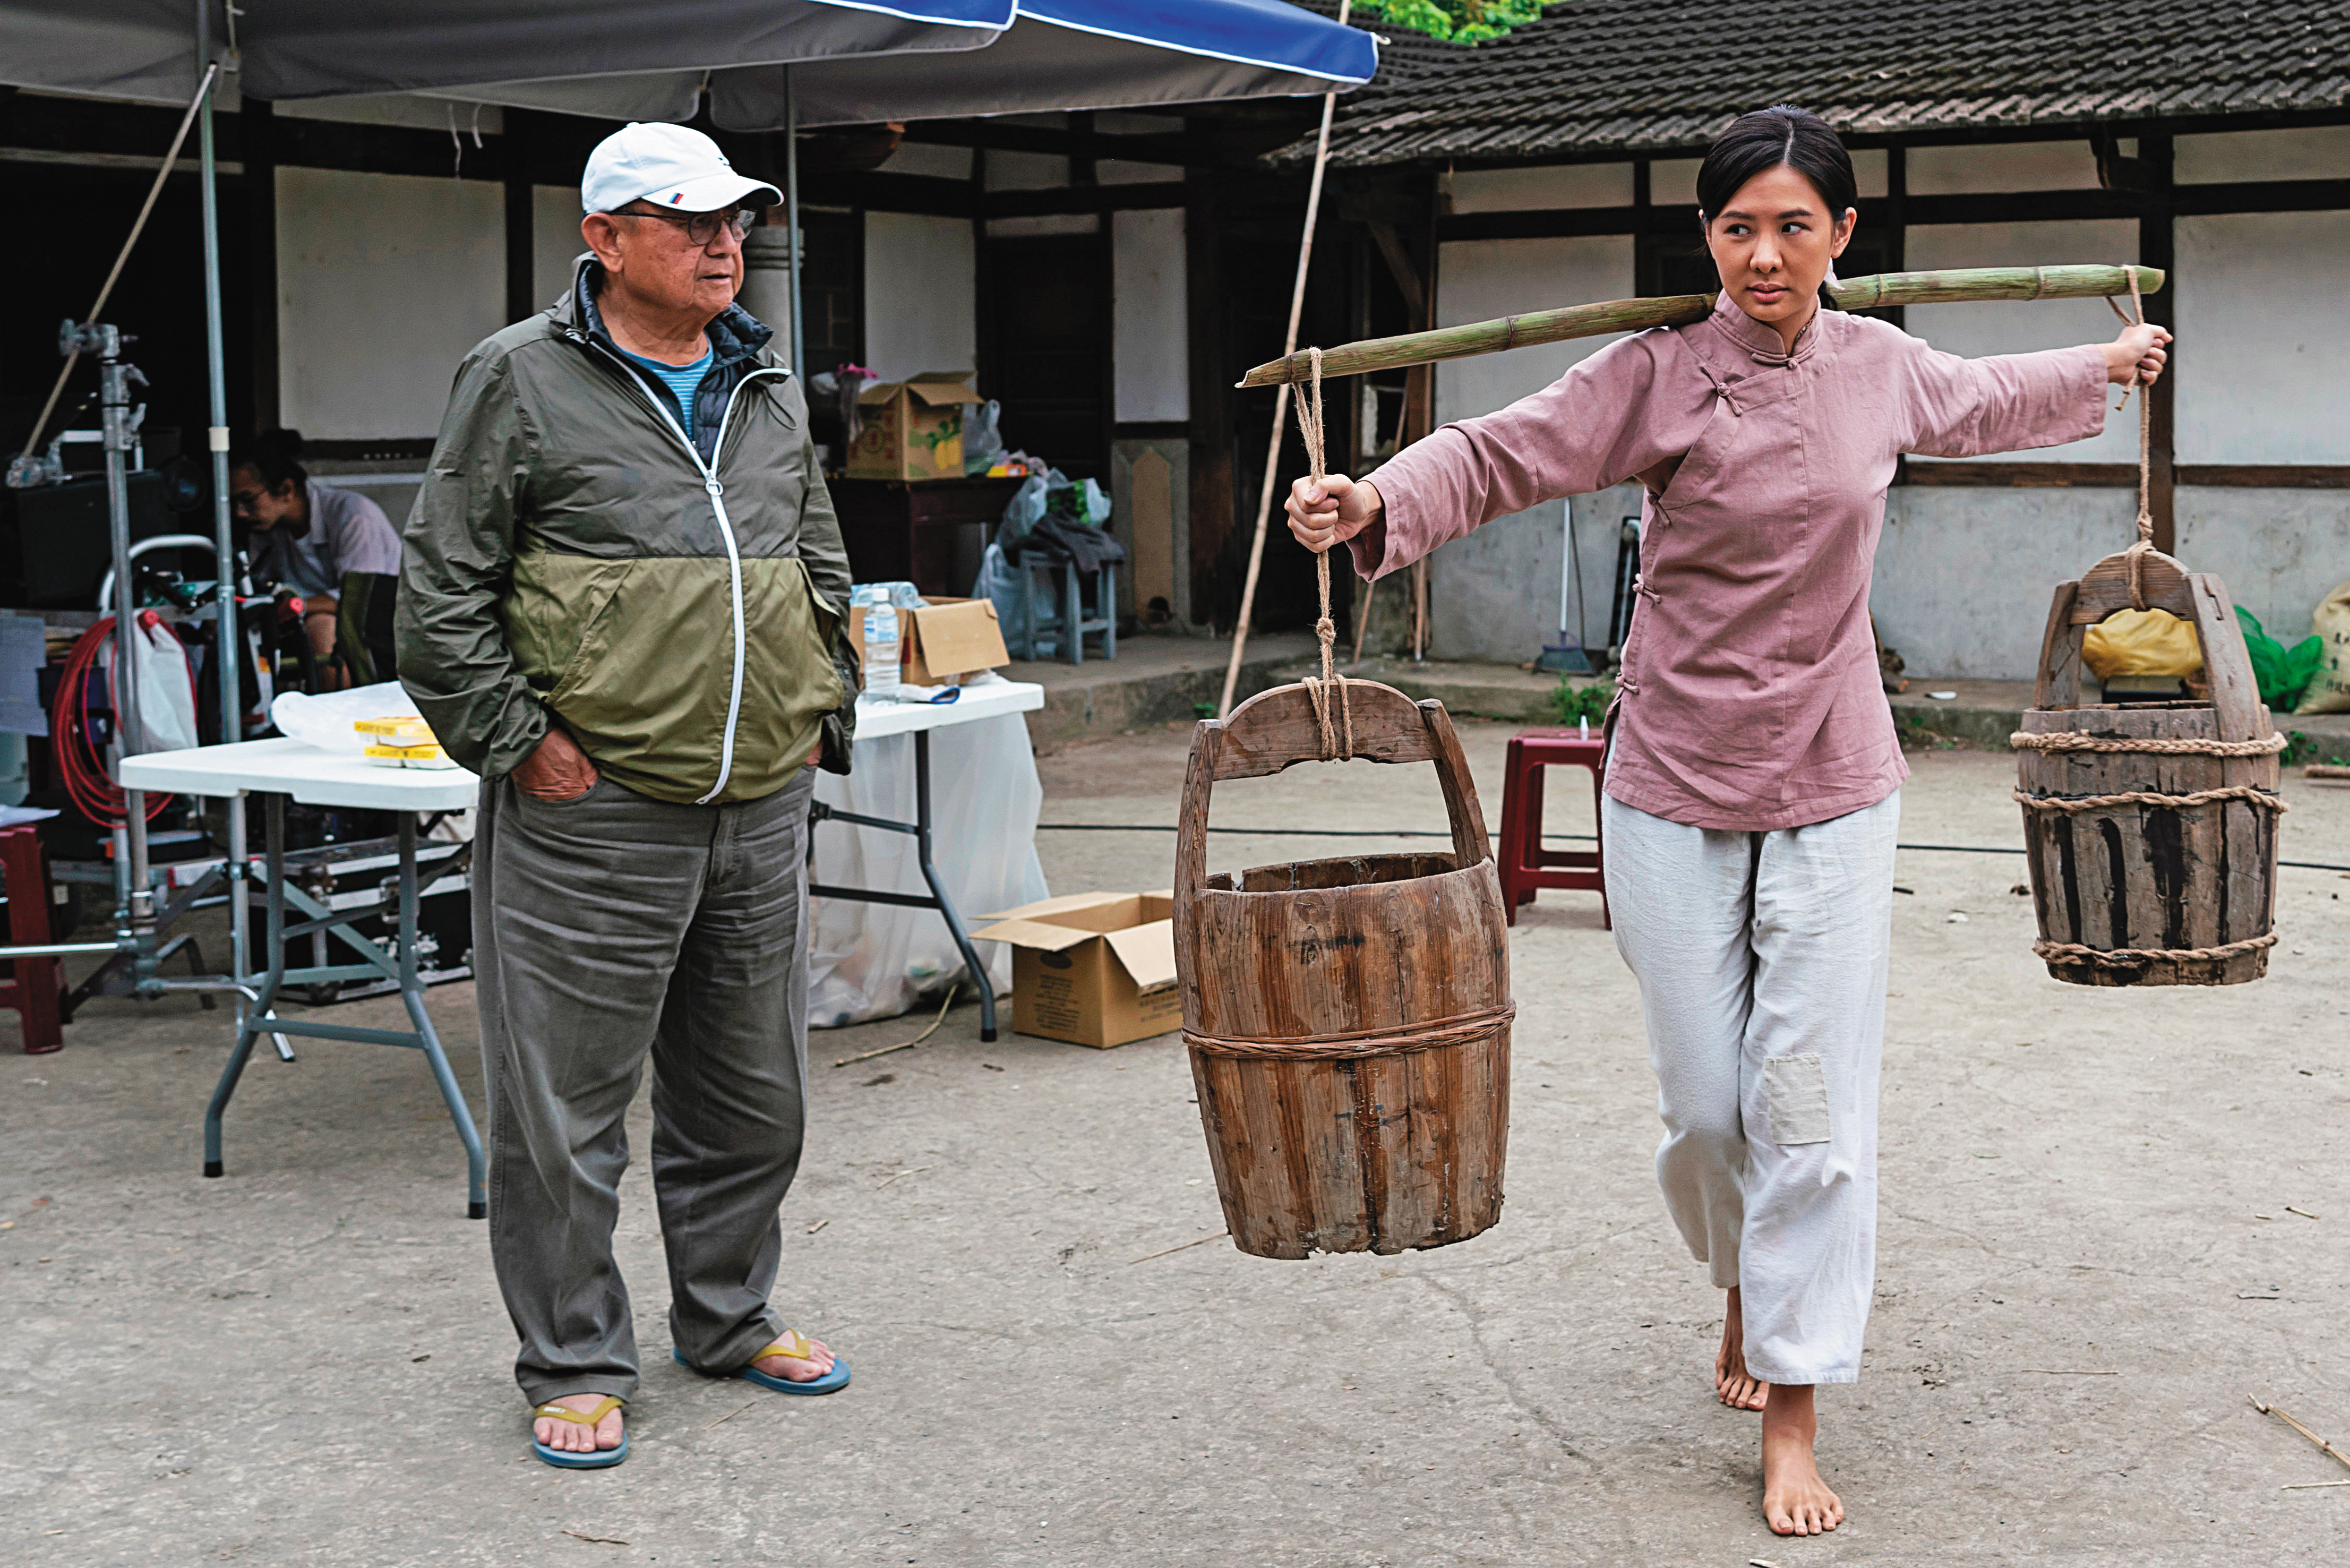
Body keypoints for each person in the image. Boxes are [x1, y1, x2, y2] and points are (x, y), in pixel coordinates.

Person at [1286, 105, 2170, 1537]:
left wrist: (2107, 366)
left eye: (1793, 227)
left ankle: (1794, 1400)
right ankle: (1749, 1284)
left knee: (1806, 1110)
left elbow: (1987, 394)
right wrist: (1370, 500)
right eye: (1737, 227)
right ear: (1707, 237)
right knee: (1706, 1110)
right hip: (1672, 777)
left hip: (1832, 774)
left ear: (1843, 238)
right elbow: (1503, 452)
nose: (1764, 255)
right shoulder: (1653, 375)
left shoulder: (1878, 371)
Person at [397, 121, 866, 1471]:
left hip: (760, 797)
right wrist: (517, 743)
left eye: (737, 220)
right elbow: (439, 594)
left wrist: (820, 695)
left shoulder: (761, 377)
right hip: (592, 807)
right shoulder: (520, 379)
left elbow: (811, 546)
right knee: (564, 1110)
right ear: (603, 241)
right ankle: (574, 1354)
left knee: (755, 1093)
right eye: (689, 220)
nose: (726, 243)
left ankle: (725, 1315)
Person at [228, 430, 403, 679]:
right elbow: (261, 587)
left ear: (287, 489)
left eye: (248, 500)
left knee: (321, 626)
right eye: (234, 503)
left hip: (380, 627)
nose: (240, 513)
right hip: (302, 622)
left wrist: (291, 608)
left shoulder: (353, 515)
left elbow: (358, 600)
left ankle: (335, 712)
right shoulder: (266, 528)